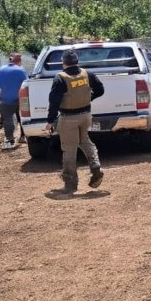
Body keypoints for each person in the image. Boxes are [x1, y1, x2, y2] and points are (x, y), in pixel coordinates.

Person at [45, 49, 105, 193]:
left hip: (68, 118)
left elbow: (54, 101)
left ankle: (70, 183)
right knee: (85, 140)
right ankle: (96, 166)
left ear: (63, 62)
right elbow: (101, 90)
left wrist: (50, 120)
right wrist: (88, 98)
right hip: (86, 116)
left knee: (69, 149)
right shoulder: (86, 74)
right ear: (77, 61)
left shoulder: (60, 78)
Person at [0, 52, 29, 150]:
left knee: (7, 120)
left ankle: (10, 140)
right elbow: (26, 84)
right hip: (19, 99)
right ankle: (23, 136)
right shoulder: (21, 70)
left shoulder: (0, 70)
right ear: (19, 61)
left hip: (5, 99)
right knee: (22, 117)